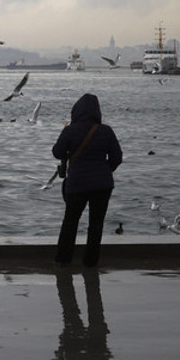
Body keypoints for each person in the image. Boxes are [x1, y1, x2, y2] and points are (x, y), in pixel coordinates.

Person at [52, 93, 122, 267]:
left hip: (77, 185)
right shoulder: (106, 131)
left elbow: (57, 153)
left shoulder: (70, 130)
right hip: (103, 186)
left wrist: (63, 132)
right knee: (96, 225)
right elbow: (117, 157)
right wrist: (105, 170)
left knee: (70, 222)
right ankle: (90, 262)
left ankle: (63, 261)